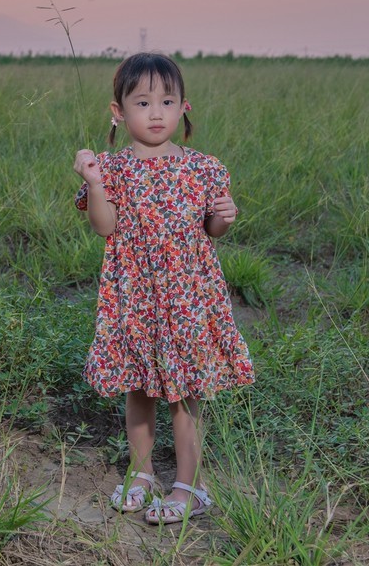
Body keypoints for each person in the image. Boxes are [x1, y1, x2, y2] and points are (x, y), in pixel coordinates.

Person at [72, 52, 255, 525]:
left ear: (183, 107)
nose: (156, 113)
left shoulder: (203, 168)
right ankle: (142, 472)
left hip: (188, 298)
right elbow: (104, 226)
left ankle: (190, 485)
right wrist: (93, 184)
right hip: (134, 296)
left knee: (185, 390)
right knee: (139, 385)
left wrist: (224, 217)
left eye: (167, 101)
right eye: (143, 102)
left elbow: (212, 228)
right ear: (118, 111)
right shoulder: (111, 169)